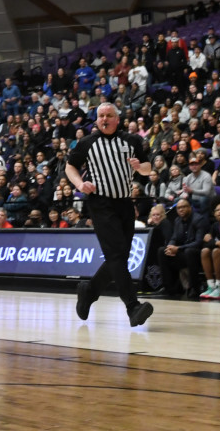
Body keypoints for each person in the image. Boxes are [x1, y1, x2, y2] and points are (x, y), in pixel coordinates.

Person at [66, 102, 155, 327]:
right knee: (116, 255)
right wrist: (80, 184)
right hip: (100, 204)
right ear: (96, 120)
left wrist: (139, 167)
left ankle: (90, 290)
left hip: (125, 203)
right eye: (101, 116)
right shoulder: (87, 143)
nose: (104, 119)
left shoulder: (132, 141)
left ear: (117, 119)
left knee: (120, 257)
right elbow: (70, 167)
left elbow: (148, 168)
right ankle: (132, 306)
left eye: (109, 115)